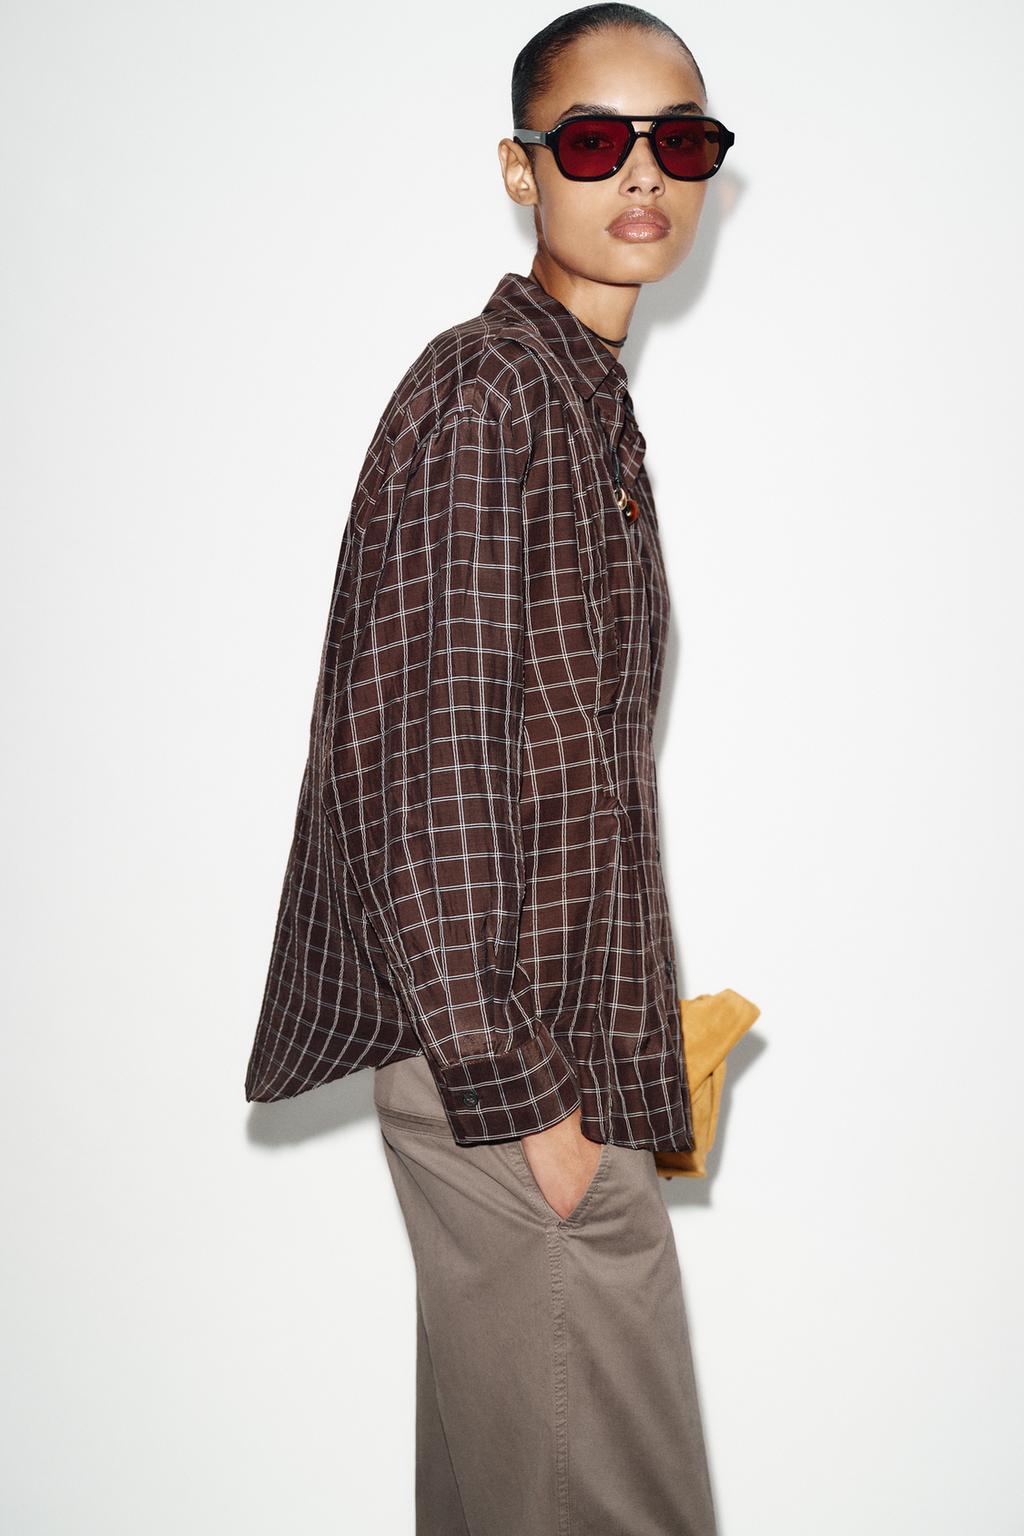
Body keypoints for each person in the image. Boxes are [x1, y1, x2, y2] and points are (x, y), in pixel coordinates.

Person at [244, 5, 736, 1531]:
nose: (642, 174)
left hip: (557, 1061)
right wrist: (530, 1106)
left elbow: (564, 772)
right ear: (522, 170)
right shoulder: (492, 397)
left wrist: (631, 1056)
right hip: (515, 1081)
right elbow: (429, 766)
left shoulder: (581, 408)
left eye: (680, 141)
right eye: (594, 141)